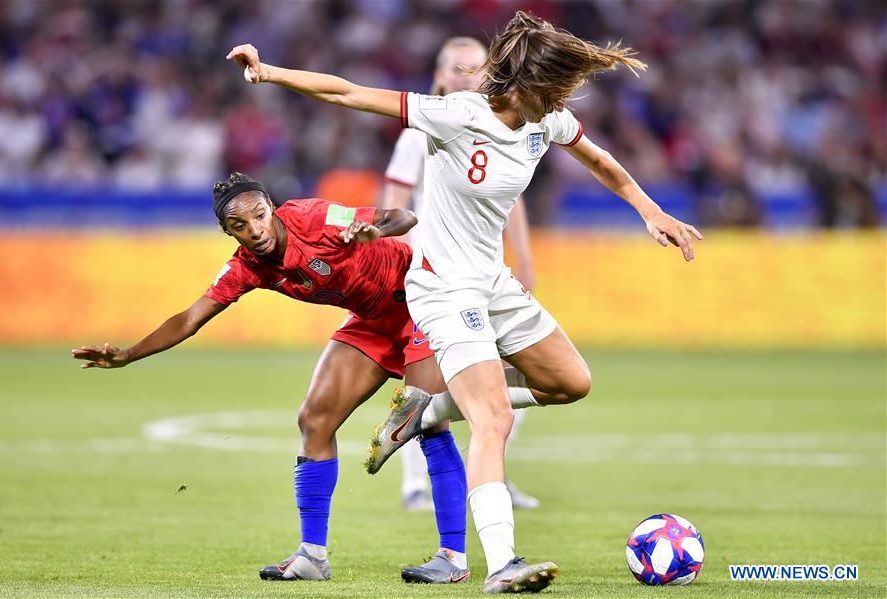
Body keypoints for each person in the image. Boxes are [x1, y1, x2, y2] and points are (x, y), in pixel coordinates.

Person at [227, 11, 702, 593]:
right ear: (521, 85)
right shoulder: (455, 115)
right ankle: (502, 564)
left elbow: (600, 160)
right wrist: (268, 71)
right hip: (443, 288)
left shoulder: (546, 119)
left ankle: (429, 408)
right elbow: (349, 92)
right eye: (549, 92)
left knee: (571, 383)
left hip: (493, 282)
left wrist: (651, 212)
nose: (558, 104)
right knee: (494, 418)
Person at [71, 172, 473, 585]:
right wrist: (129, 354)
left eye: (259, 216)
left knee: (424, 420)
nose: (255, 230)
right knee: (314, 420)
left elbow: (402, 215)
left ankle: (452, 557)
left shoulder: (313, 218)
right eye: (239, 227)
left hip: (423, 303)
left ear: (272, 208)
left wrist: (374, 231)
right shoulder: (247, 267)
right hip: (372, 322)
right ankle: (312, 556)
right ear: (229, 233)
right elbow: (191, 319)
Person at [382, 36, 539, 512]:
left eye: (478, 68)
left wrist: (525, 258)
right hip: (437, 275)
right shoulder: (420, 131)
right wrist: (409, 257)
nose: (469, 75)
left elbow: (508, 198)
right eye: (460, 68)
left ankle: (492, 473)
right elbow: (394, 202)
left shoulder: (498, 126)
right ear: (440, 76)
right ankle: (414, 485)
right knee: (427, 378)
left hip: (485, 273)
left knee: (514, 373)